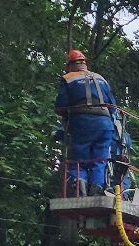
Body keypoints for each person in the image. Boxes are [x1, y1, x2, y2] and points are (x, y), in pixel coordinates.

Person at [54, 50, 129, 194]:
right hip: (105, 124)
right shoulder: (100, 78)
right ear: (84, 64)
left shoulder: (68, 78)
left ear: (70, 65)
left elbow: (61, 106)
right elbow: (113, 106)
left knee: (78, 160)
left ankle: (79, 190)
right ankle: (97, 189)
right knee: (99, 159)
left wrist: (68, 120)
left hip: (82, 123)